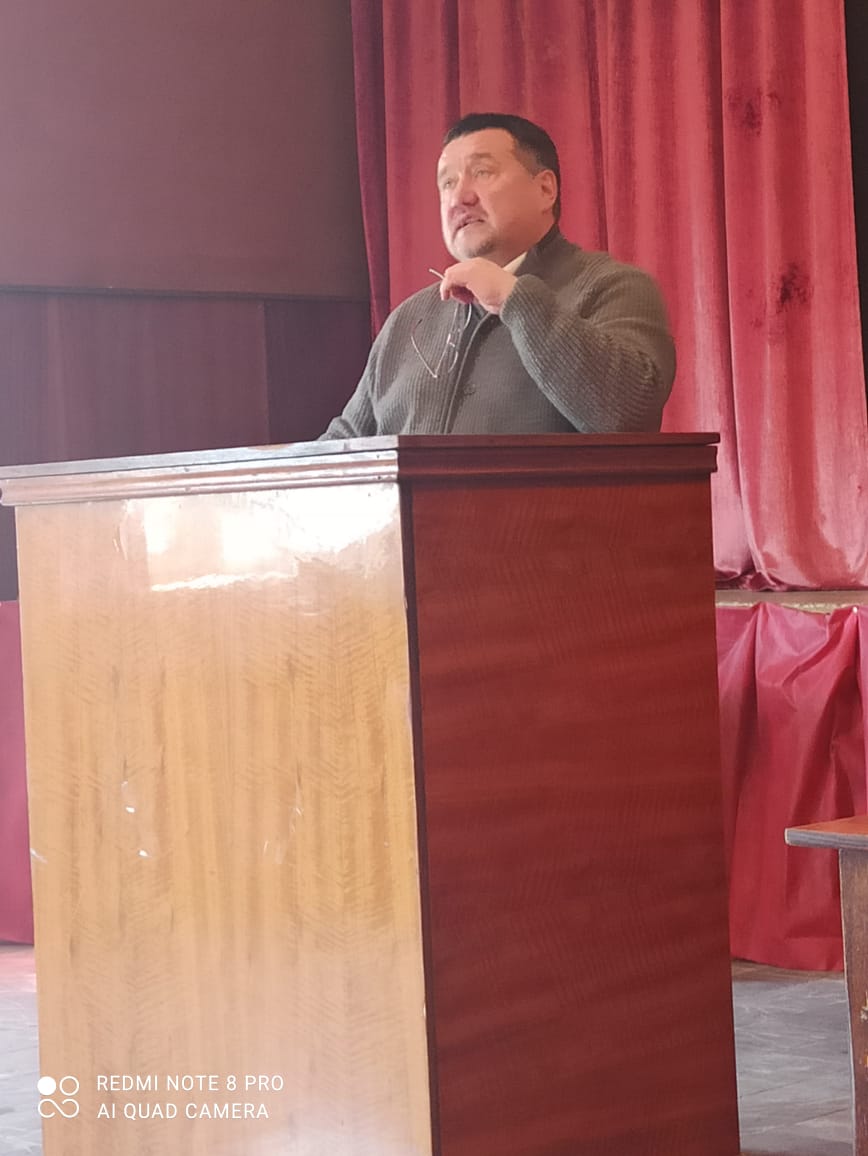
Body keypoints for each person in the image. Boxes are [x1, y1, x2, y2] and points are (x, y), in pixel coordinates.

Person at [321, 112, 675, 438]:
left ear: (545, 190)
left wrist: (514, 298)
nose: (459, 197)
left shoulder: (612, 287)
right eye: (447, 183)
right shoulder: (410, 319)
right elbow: (340, 449)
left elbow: (628, 417)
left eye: (482, 172)